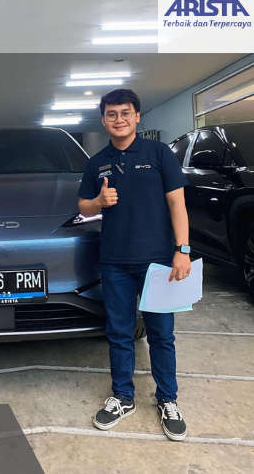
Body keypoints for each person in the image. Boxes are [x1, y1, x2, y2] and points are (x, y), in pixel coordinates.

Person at [78, 89, 191, 441]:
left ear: (137, 116)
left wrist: (182, 250)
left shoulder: (159, 154)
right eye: (112, 114)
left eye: (125, 113)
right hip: (114, 262)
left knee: (161, 334)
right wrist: (99, 201)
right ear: (103, 120)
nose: (119, 120)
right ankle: (123, 397)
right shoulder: (97, 162)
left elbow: (177, 204)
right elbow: (83, 206)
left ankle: (168, 399)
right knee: (119, 332)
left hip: (158, 263)